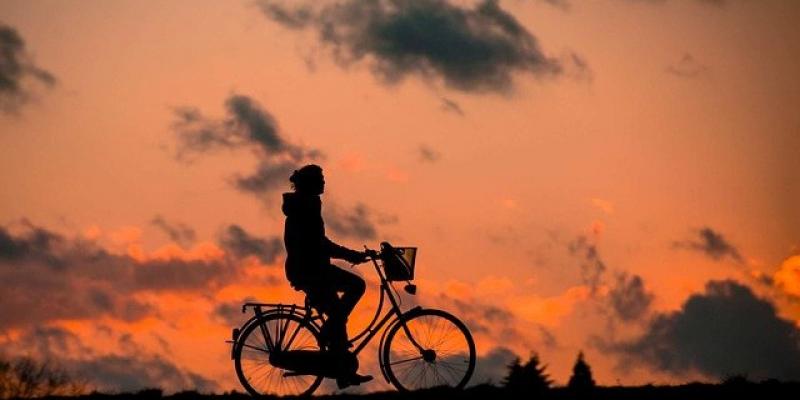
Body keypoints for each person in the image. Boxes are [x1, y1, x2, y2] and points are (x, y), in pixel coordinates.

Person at [281, 164, 373, 388]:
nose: (324, 183)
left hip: (312, 269)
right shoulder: (305, 206)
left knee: (338, 314)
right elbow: (319, 244)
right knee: (353, 289)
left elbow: (319, 243)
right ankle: (329, 335)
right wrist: (352, 255)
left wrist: (350, 255)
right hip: (309, 270)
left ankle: (342, 371)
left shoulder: (307, 204)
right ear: (311, 184)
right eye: (320, 179)